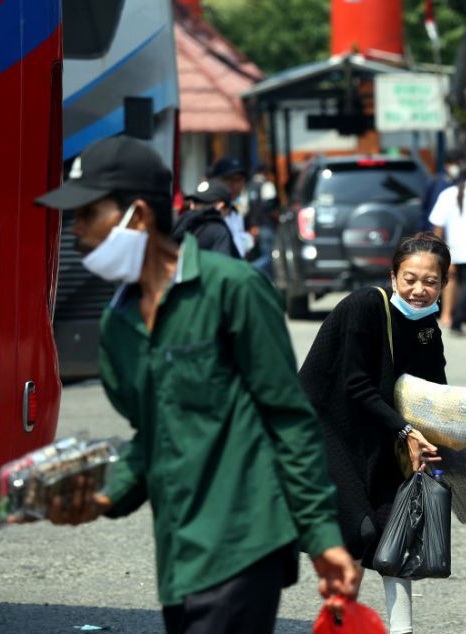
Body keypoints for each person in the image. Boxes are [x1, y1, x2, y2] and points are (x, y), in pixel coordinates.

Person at [34, 136, 358, 633]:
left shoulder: (234, 289)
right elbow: (154, 435)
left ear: (136, 216)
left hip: (246, 540)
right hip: (179, 549)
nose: (74, 232)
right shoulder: (117, 324)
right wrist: (104, 494)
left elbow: (289, 418)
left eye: (85, 215)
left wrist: (321, 535)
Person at [298, 233, 451, 634]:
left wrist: (442, 440)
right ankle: (338, 624)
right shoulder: (367, 306)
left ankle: (402, 631)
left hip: (381, 434)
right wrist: (405, 431)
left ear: (444, 284)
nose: (419, 290)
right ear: (393, 276)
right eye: (410, 279)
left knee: (391, 535)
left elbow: (436, 390)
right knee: (358, 531)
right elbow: (355, 384)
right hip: (329, 431)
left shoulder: (427, 327)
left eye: (430, 282)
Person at [429, 160, 466, 335]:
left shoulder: (447, 194)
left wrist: (439, 248)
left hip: (452, 249)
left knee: (462, 285)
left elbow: (438, 225)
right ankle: (458, 320)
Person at [171, 178, 240, 258]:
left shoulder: (177, 223)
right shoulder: (219, 230)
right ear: (219, 205)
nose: (192, 206)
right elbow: (223, 266)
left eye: (196, 202)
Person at [209, 156, 253, 257]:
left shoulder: (235, 213)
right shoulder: (208, 213)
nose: (235, 186)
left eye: (239, 180)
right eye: (229, 180)